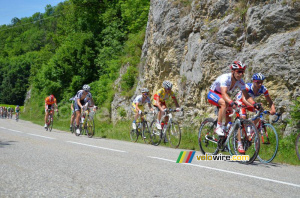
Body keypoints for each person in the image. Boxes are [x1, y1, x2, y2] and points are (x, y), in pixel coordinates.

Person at [207, 61, 260, 153]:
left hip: (224, 96)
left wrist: (254, 104)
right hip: (213, 94)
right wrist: (232, 102)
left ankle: (224, 138)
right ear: (233, 71)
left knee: (230, 114)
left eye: (242, 72)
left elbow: (247, 96)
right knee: (224, 103)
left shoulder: (241, 82)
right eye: (239, 71)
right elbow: (223, 93)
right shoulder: (225, 78)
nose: (241, 74)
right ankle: (218, 126)